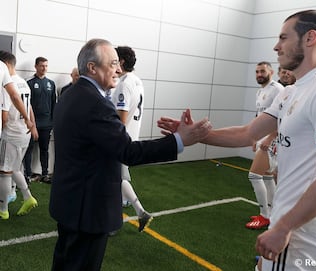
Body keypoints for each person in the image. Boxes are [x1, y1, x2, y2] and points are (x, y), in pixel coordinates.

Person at [158, 2, 316, 270]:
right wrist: (195, 135)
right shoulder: (292, 91)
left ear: (310, 38)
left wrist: (285, 226)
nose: (276, 46)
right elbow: (248, 132)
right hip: (293, 221)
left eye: (283, 37)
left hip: (303, 228)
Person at [49, 38, 211, 270]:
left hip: (70, 203)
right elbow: (128, 151)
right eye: (112, 63)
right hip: (88, 209)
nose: (118, 69)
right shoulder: (96, 103)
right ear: (92, 68)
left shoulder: (71, 95)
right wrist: (179, 140)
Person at [110, 46, 152, 233]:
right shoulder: (137, 81)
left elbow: (121, 117)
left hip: (121, 139)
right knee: (118, 178)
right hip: (131, 137)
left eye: (114, 59)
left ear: (122, 62)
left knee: (115, 179)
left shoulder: (124, 83)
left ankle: (136, 213)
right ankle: (135, 210)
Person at [0, 51, 39, 220]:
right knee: (14, 167)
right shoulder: (24, 82)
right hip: (25, 133)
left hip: (12, 132)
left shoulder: (7, 85)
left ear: (5, 65)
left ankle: (3, 209)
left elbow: (5, 115)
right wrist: (33, 125)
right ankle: (27, 196)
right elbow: (29, 108)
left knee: (4, 171)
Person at [245, 61, 283, 230]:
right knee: (267, 177)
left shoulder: (278, 89)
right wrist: (254, 137)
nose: (259, 74)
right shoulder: (260, 91)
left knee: (254, 175)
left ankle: (264, 216)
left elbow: (283, 118)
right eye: (257, 72)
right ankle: (273, 213)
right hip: (262, 138)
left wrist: (269, 138)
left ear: (271, 72)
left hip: (272, 140)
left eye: (262, 71)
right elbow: (259, 117)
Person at [24, 56, 56, 184]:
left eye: (46, 66)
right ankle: (28, 174)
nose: (44, 68)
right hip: (32, 124)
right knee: (29, 149)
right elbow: (26, 104)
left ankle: (44, 174)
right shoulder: (29, 83)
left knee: (45, 149)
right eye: (42, 66)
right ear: (36, 66)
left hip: (47, 124)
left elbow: (54, 103)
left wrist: (53, 122)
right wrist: (29, 123)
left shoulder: (51, 83)